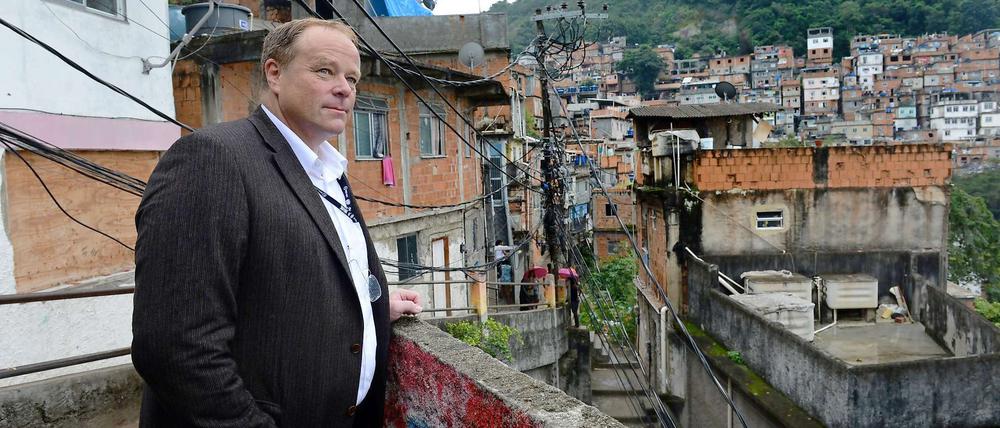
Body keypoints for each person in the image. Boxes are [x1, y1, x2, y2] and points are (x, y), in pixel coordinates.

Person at [132, 19, 422, 427]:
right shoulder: (214, 159)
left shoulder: (326, 171)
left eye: (352, 78)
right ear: (275, 73)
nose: (345, 88)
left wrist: (364, 309)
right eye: (325, 71)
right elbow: (174, 347)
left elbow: (284, 281)